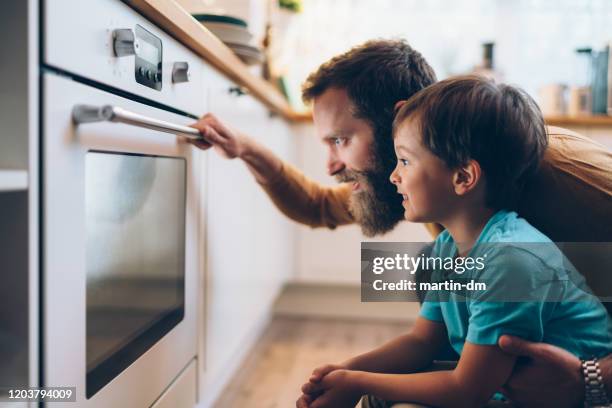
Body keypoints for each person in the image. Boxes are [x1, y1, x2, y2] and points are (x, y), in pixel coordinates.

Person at [188, 40, 612, 407]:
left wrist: (592, 379)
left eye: (341, 139)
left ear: (397, 118)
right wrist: (244, 149)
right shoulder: (441, 197)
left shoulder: (566, 183)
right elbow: (317, 206)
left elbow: (468, 388)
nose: (332, 165)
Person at [296, 75, 612, 408]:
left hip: (570, 396)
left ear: (463, 177)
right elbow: (422, 341)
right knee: (377, 395)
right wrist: (345, 372)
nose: (394, 176)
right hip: (502, 384)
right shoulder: (450, 245)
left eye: (405, 161)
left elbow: (466, 390)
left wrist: (356, 381)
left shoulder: (511, 260)